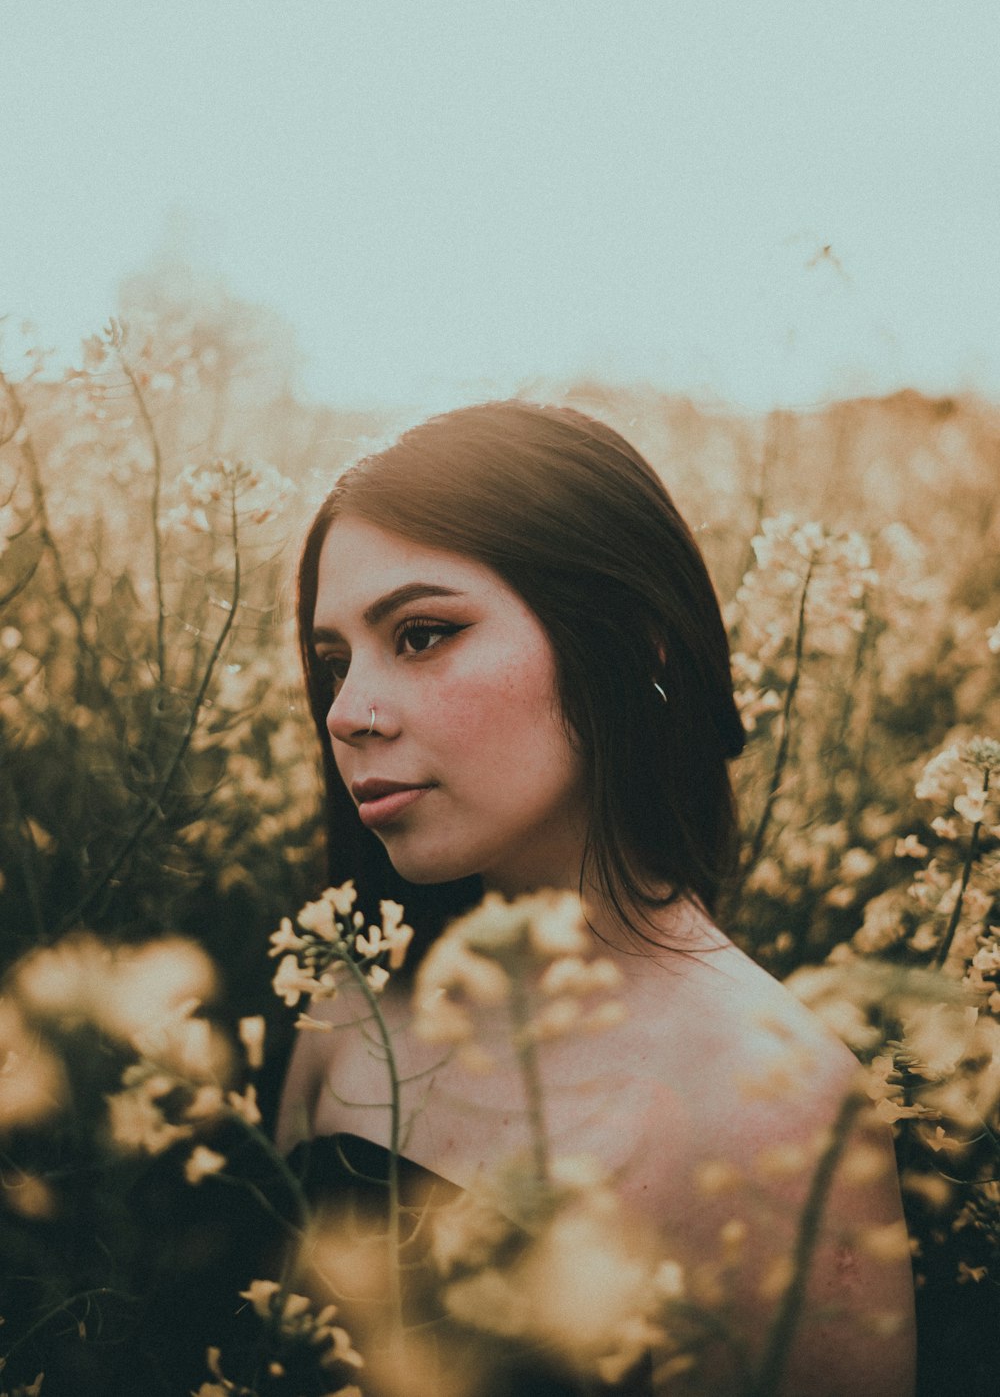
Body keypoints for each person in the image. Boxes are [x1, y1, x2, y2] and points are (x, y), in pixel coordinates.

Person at [277, 399, 916, 1396]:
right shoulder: (348, 1002)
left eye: (420, 634)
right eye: (331, 662)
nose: (349, 713)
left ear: (635, 644)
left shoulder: (776, 1104)